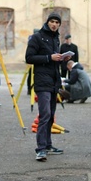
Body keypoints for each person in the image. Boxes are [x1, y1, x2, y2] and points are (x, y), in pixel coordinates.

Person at [25, 12, 70, 161]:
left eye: (57, 22)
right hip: (41, 81)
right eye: (52, 21)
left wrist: (63, 59)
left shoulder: (55, 38)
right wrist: (48, 57)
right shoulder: (37, 37)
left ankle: (48, 145)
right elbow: (29, 58)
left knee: (50, 115)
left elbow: (54, 61)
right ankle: (41, 149)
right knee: (44, 115)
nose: (54, 24)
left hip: (53, 81)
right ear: (47, 22)